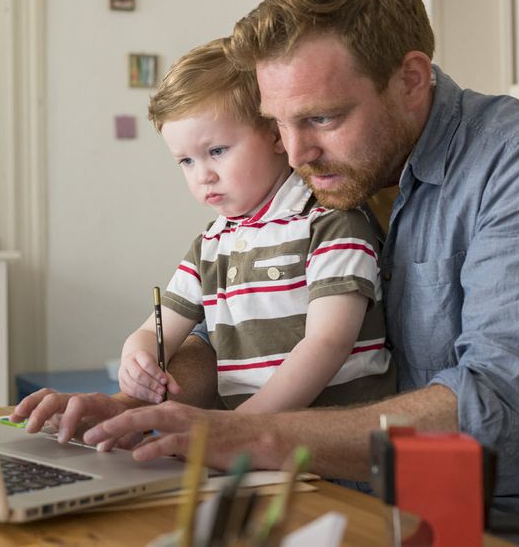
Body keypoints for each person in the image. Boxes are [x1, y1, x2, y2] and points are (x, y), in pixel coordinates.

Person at [12, 0, 519, 543]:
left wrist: (251, 434)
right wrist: (137, 407)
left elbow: (506, 403)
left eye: (323, 118)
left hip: (495, 523)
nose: (294, 153)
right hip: (329, 490)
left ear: (411, 79)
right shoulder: (314, 177)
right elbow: (230, 333)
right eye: (277, 123)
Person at [118, 39, 394, 414]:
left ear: (276, 136)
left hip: (333, 443)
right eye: (185, 161)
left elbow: (327, 343)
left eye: (217, 151)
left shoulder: (330, 222)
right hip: (249, 444)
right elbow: (156, 330)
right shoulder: (212, 244)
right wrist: (137, 357)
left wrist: (246, 424)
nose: (204, 176)